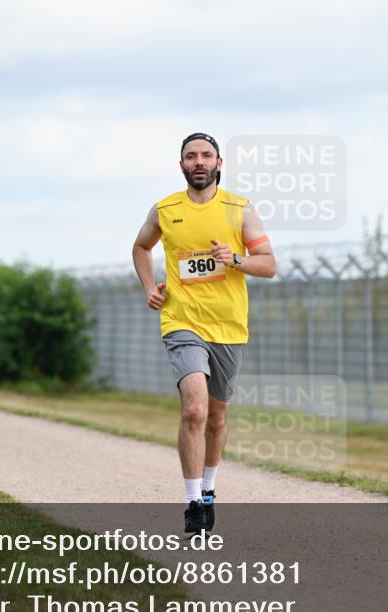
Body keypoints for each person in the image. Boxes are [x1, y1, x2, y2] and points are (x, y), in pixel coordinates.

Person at [132, 132, 276, 534]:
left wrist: (236, 260)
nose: (198, 161)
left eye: (206, 155)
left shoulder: (239, 209)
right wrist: (149, 287)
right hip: (182, 321)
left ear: (218, 164)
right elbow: (141, 248)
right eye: (190, 156)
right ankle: (193, 501)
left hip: (229, 325)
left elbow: (269, 265)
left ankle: (209, 490)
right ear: (181, 165)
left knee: (217, 416)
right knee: (194, 407)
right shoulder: (165, 209)